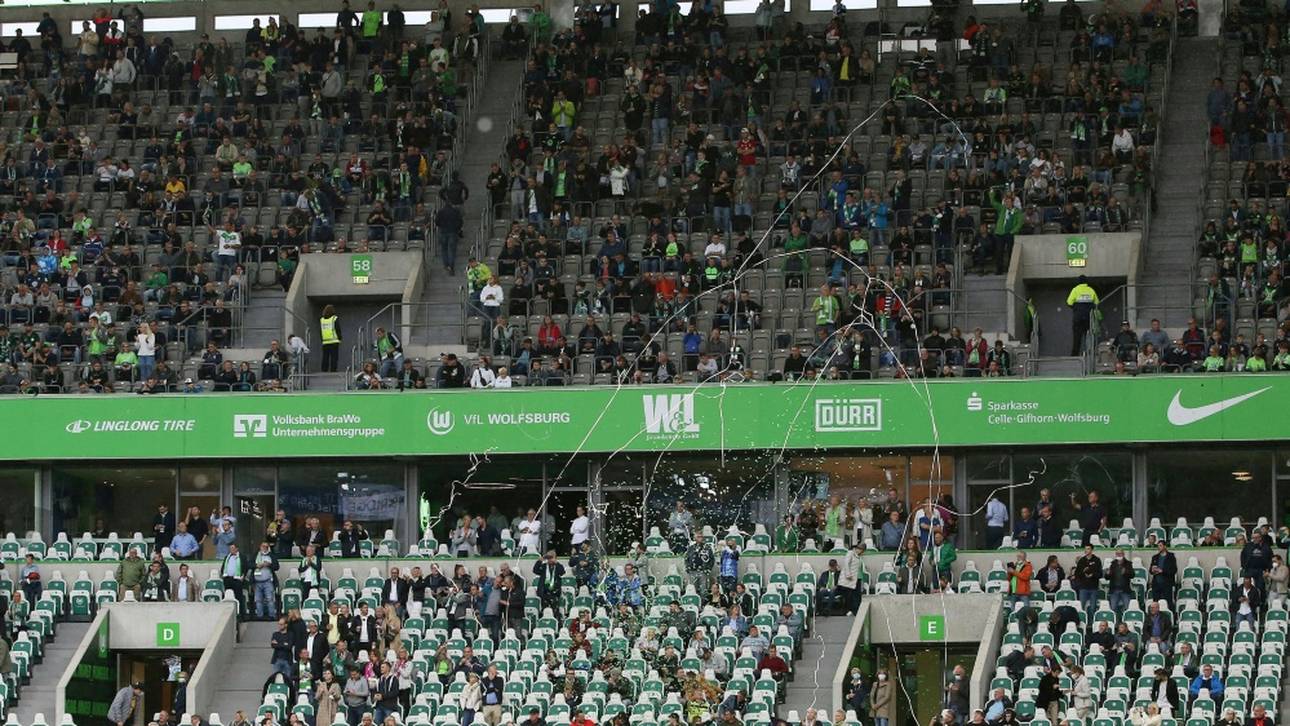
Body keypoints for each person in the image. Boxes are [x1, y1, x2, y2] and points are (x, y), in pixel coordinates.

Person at [1066, 275, 1100, 356]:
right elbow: (1097, 303)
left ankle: (1075, 355)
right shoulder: (1091, 290)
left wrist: (1076, 308)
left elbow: (1069, 302)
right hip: (1089, 318)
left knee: (1077, 337)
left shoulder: (1075, 290)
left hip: (1078, 317)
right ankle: (1090, 353)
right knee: (1089, 336)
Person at [319, 304, 341, 372]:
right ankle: (333, 370)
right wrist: (340, 338)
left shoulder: (322, 320)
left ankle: (324, 370)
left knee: (325, 357)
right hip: (334, 341)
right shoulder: (334, 318)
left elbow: (320, 331)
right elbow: (338, 329)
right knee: (334, 357)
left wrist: (322, 339)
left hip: (325, 341)